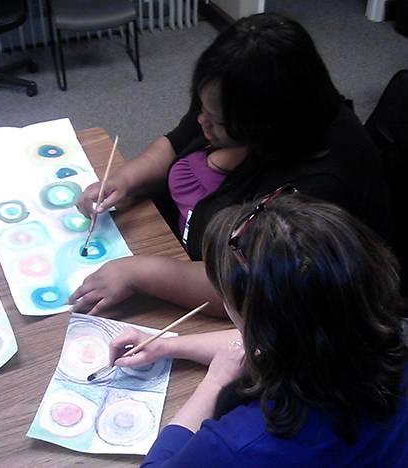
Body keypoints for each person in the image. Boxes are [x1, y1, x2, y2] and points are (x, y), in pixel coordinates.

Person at [69, 12, 391, 318]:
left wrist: (142, 273)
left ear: (268, 124)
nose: (201, 123)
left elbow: (250, 287)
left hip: (280, 307)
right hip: (190, 251)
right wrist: (124, 179)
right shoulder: (236, 97)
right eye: (202, 107)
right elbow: (178, 141)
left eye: (217, 122)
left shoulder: (323, 179)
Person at [109, 190, 407, 467]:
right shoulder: (373, 334)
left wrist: (213, 384)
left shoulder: (241, 444)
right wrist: (167, 345)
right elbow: (279, 340)